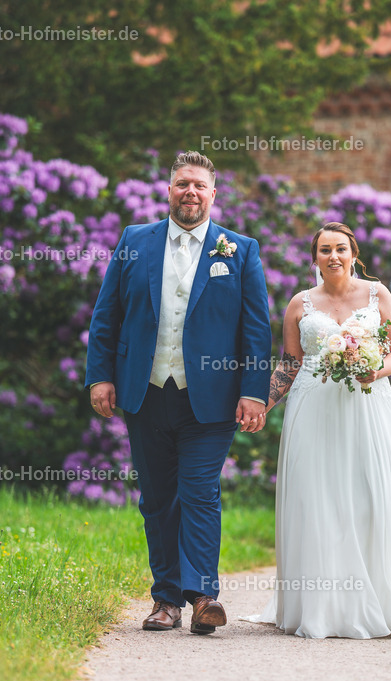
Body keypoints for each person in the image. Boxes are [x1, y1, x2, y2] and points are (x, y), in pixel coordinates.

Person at [85, 151, 271, 635]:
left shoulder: (241, 249)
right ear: (169, 190)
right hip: (145, 392)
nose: (191, 192)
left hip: (210, 397)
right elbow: (107, 316)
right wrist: (99, 377)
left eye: (200, 186)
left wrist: (255, 391)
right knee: (157, 498)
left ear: (214, 194)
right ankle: (166, 599)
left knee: (200, 492)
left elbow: (256, 330)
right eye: (182, 184)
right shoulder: (135, 241)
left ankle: (204, 596)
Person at [243, 222, 391, 639]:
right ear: (314, 258)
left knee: (368, 494)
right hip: (311, 409)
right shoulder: (300, 304)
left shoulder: (377, 294)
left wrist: (376, 369)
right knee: (316, 496)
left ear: (354, 254)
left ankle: (379, 599)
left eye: (340, 249)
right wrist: (262, 402)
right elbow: (291, 363)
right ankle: (319, 605)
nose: (333, 257)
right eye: (324, 250)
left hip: (367, 407)